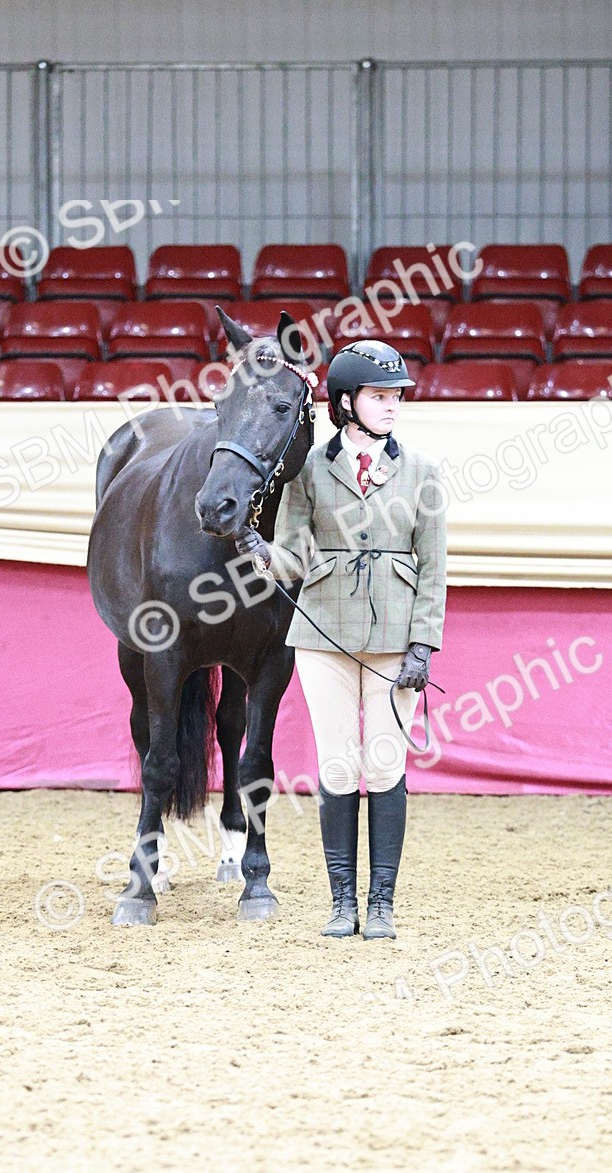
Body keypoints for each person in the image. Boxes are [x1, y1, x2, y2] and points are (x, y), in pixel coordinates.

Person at [236, 339, 447, 940]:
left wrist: (424, 645)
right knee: (336, 762)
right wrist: (261, 552)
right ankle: (342, 902)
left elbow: (434, 567)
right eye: (380, 396)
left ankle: (380, 903)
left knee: (383, 765)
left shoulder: (422, 471)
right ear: (347, 403)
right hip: (323, 632)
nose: (392, 406)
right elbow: (294, 555)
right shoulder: (308, 470)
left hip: (395, 637)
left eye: (396, 396)